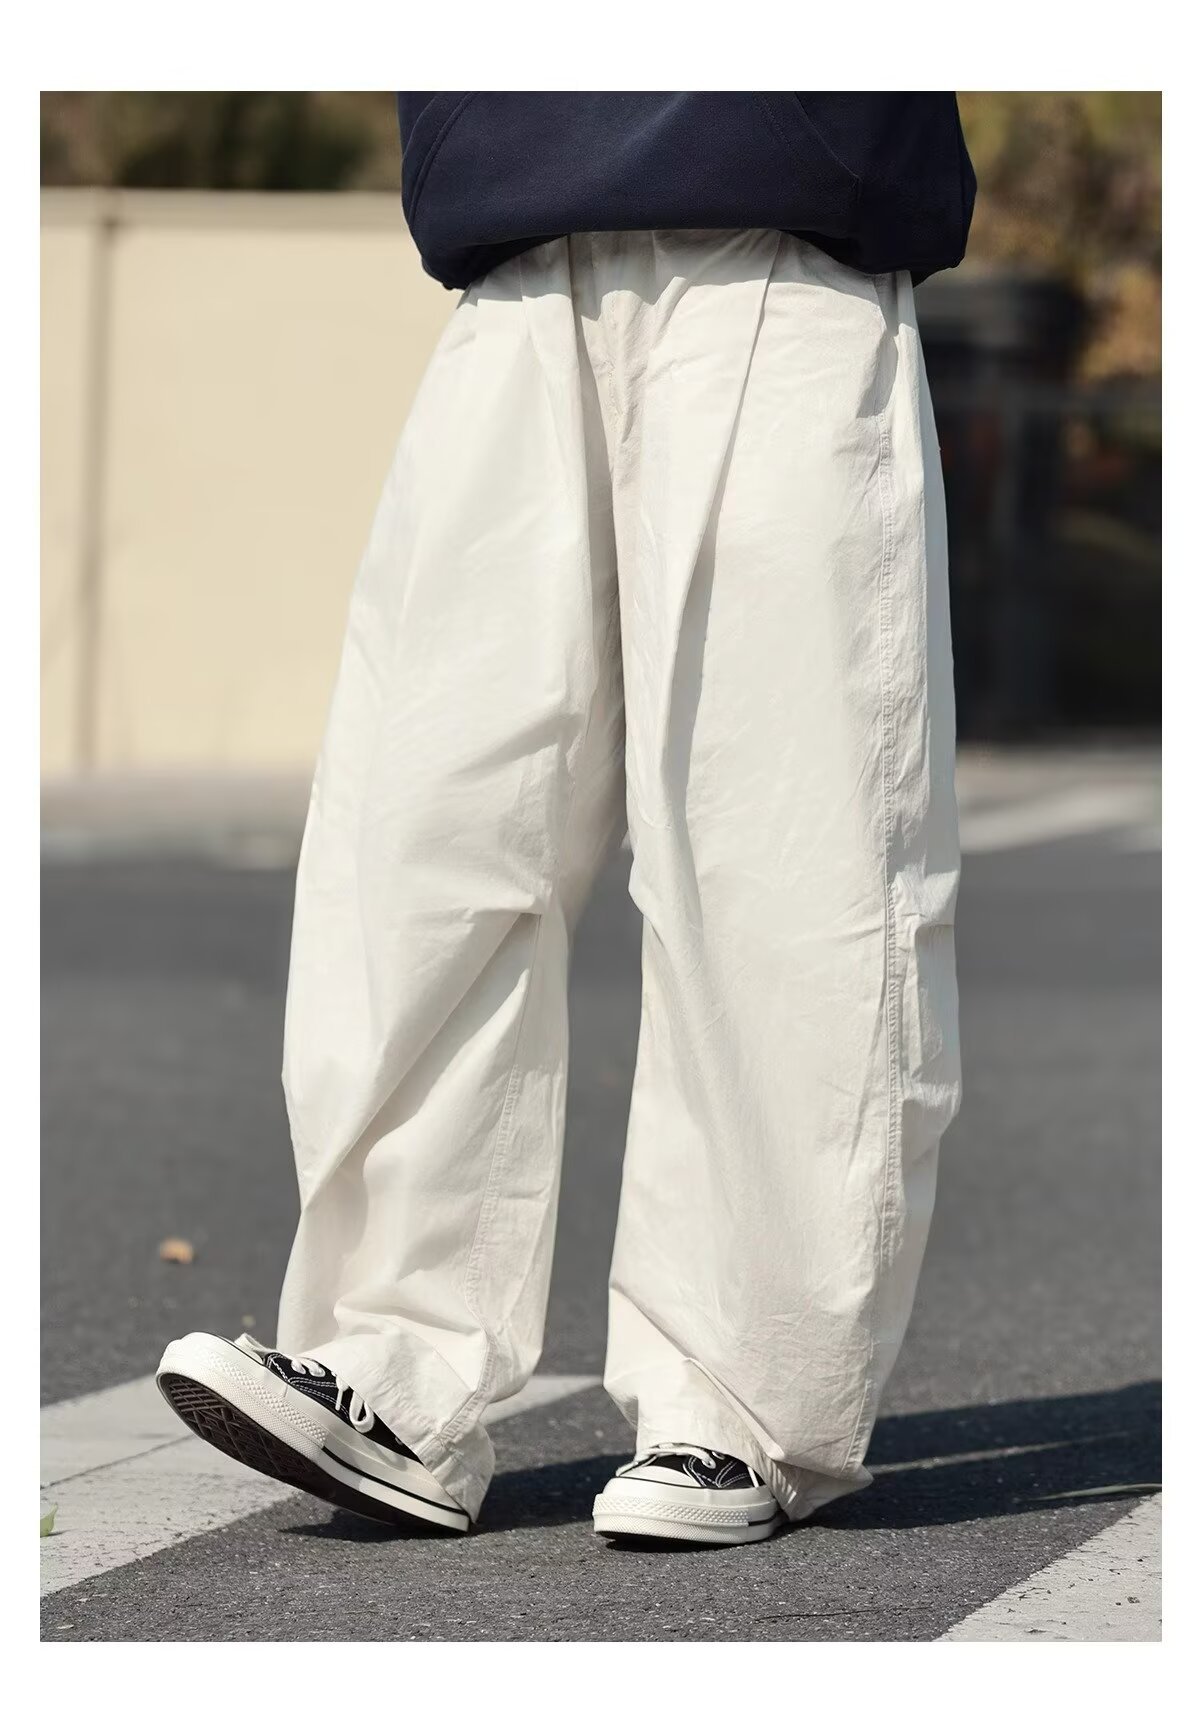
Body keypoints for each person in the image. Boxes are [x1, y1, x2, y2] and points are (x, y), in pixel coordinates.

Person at [157, 92, 973, 1547]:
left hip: (782, 226)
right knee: (421, 831)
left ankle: (742, 1403)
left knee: (777, 855)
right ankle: (397, 1365)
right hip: (508, 245)